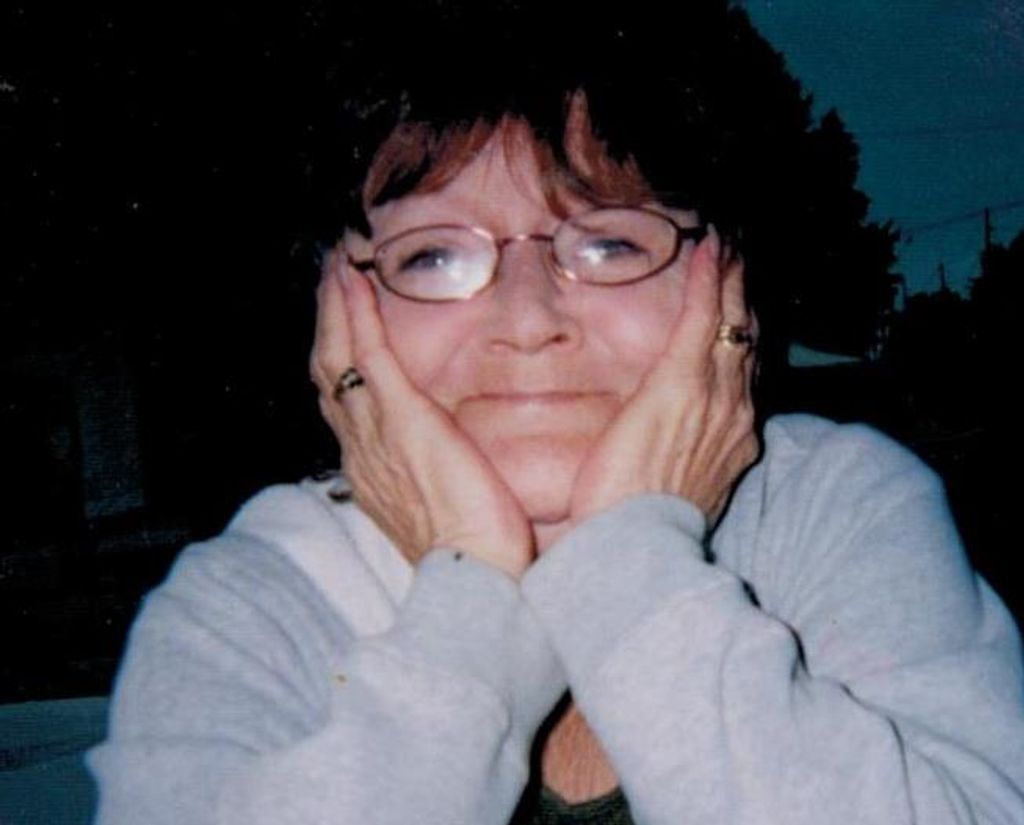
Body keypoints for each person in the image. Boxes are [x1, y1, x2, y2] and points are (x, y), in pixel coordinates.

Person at [88, 3, 1024, 823]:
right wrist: (471, 587)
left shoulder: (837, 511)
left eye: (610, 244)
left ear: (727, 287)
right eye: (433, 257)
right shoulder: (247, 604)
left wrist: (631, 561)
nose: (528, 319)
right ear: (340, 310)